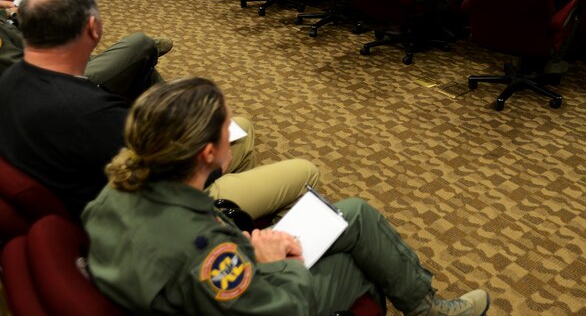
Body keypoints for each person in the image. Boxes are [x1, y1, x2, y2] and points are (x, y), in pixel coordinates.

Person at [83, 78, 490, 316]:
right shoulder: (206, 252)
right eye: (227, 124)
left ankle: (427, 307)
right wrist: (278, 264)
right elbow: (276, 310)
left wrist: (251, 248)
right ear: (207, 153)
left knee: (355, 214)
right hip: (257, 293)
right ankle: (426, 310)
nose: (232, 130)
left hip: (208, 276)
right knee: (363, 265)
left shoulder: (117, 188)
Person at [0, 0, 318, 219]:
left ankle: (232, 226)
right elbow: (164, 177)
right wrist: (213, 161)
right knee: (304, 171)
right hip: (152, 212)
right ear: (93, 29)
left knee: (242, 128)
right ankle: (214, 230)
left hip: (93, 194)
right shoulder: (91, 114)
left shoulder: (11, 79)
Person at [1, 0, 170, 100]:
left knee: (136, 66)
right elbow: (24, 76)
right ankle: (176, 111)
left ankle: (174, 112)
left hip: (58, 70)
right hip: (56, 90)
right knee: (140, 44)